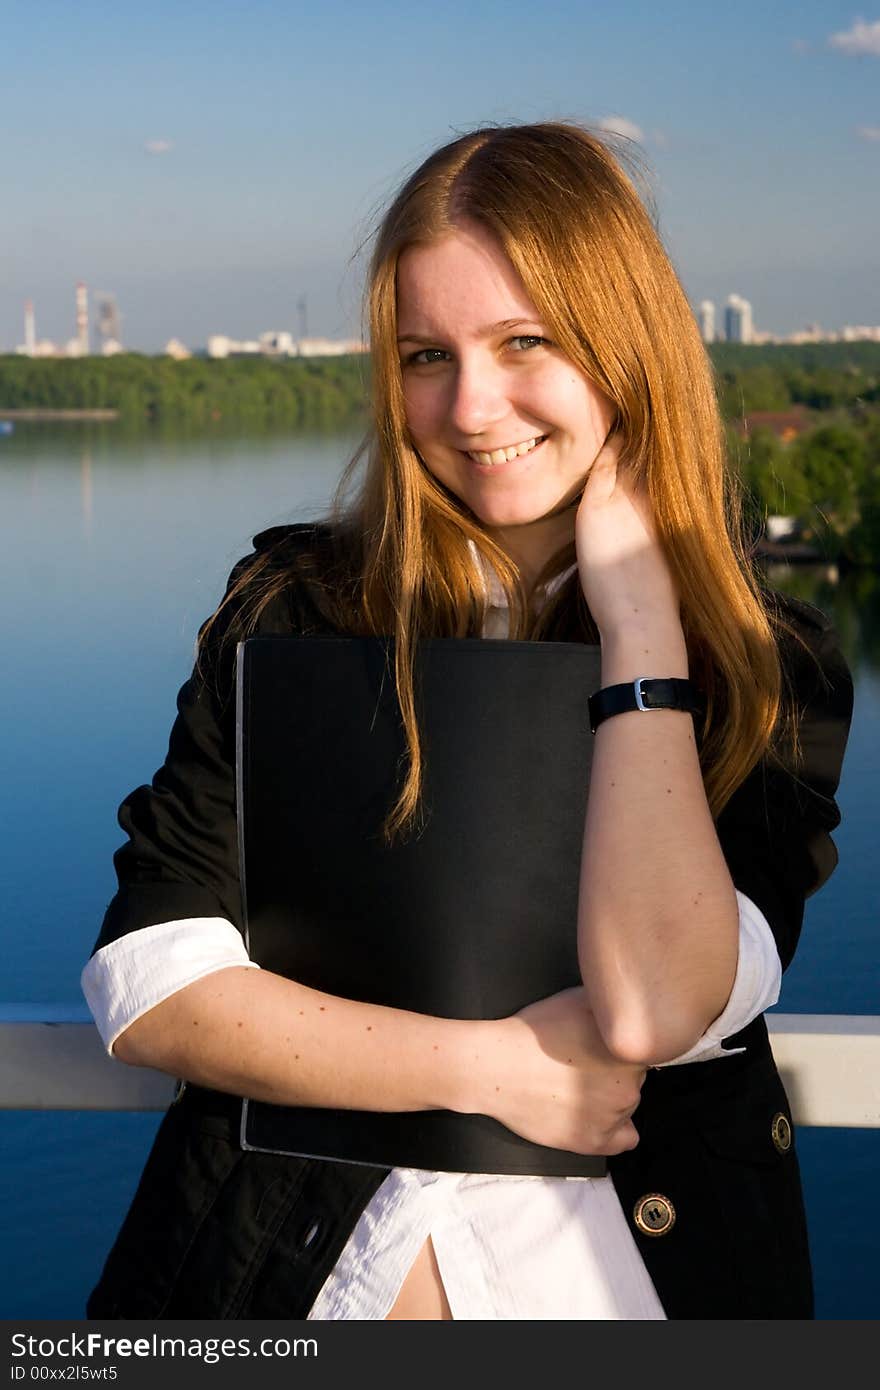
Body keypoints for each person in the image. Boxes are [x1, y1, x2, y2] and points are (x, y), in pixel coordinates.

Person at [82, 121, 852, 1320]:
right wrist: (493, 1069)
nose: (470, 404)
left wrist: (642, 621)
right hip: (273, 1283)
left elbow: (657, 1004)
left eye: (523, 342)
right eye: (424, 353)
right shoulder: (294, 608)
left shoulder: (765, 660)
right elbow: (150, 980)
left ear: (625, 346)